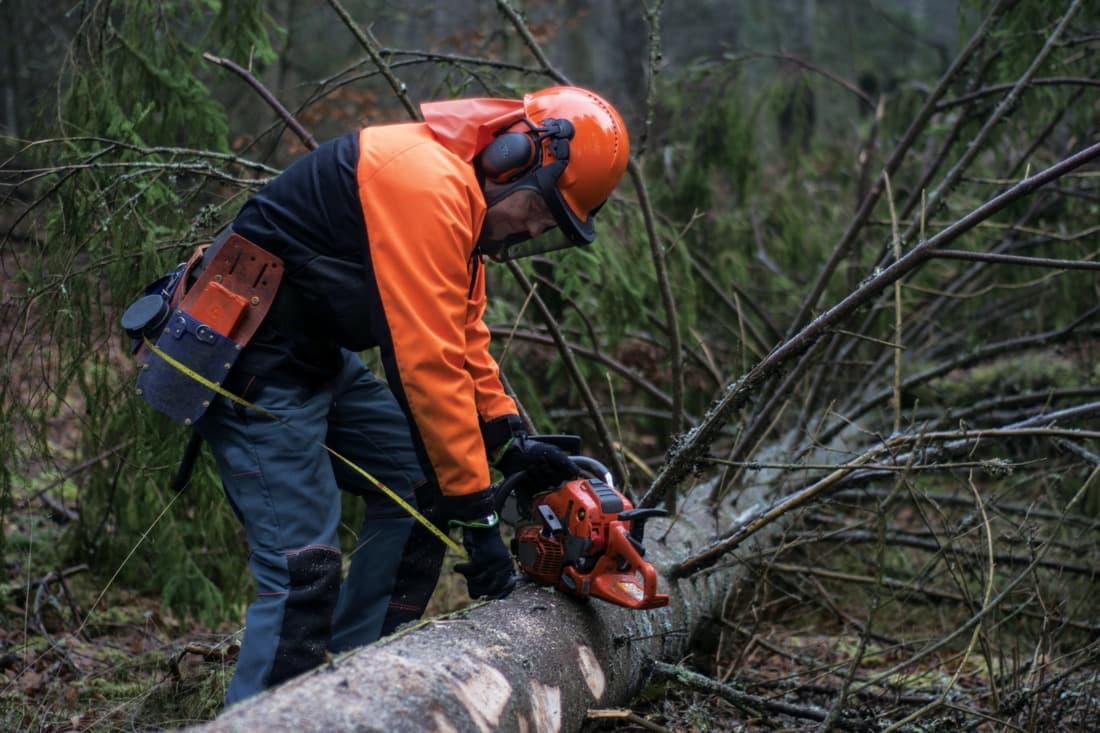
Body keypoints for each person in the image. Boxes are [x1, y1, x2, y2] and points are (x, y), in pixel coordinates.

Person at [172, 85, 630, 705]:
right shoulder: (425, 183)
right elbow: (425, 365)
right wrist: (478, 516)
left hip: (312, 362)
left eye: (551, 225)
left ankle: (359, 687)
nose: (533, 227)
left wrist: (512, 442)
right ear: (515, 156)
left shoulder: (464, 210)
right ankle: (266, 716)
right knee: (302, 569)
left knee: (418, 496)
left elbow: (464, 341)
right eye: (543, 209)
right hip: (253, 362)